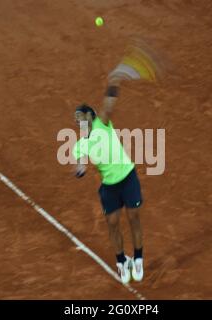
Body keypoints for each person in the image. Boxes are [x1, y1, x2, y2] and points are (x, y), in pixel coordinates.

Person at [72, 79, 144, 284]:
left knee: (134, 218)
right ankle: (121, 262)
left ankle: (138, 258)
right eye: (76, 120)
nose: (78, 122)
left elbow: (109, 102)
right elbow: (79, 161)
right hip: (109, 188)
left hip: (128, 178)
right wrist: (80, 168)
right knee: (113, 224)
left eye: (80, 117)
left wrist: (115, 79)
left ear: (89, 115)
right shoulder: (80, 144)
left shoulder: (102, 123)